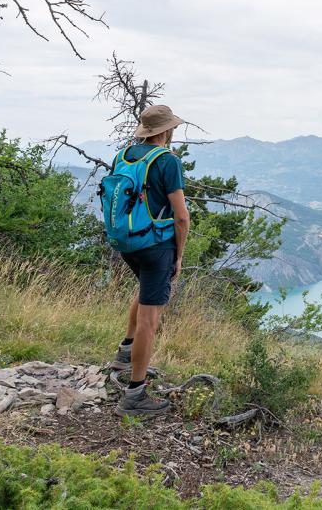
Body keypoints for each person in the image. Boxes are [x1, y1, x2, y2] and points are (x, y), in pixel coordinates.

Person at [108, 105, 191, 417]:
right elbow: (181, 216)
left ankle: (124, 353)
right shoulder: (167, 161)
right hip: (156, 245)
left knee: (146, 292)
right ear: (165, 131)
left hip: (127, 241)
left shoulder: (124, 156)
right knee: (150, 319)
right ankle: (135, 395)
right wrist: (178, 256)